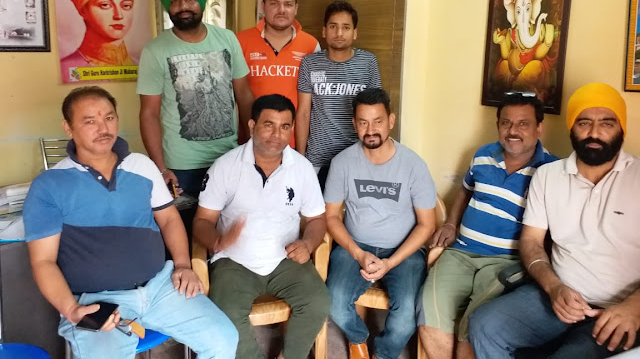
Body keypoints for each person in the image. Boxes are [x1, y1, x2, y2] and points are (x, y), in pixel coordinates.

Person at [22, 86, 237, 359]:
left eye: (109, 118)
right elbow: (43, 262)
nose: (103, 128)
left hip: (160, 288)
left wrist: (183, 265)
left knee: (223, 340)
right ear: (68, 127)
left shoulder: (141, 165)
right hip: (96, 302)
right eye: (90, 121)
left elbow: (169, 219)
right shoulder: (50, 184)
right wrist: (72, 310)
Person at [469, 83, 640, 358]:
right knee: (485, 325)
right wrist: (554, 287)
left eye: (607, 123)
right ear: (572, 127)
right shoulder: (547, 175)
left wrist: (634, 307)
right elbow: (531, 242)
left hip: (619, 309)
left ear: (622, 129)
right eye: (584, 123)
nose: (594, 133)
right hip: (555, 296)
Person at [418, 91, 558, 359]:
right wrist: (451, 224)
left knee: (475, 324)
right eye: (506, 123)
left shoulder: (551, 170)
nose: (513, 131)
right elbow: (465, 190)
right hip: (460, 253)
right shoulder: (482, 155)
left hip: (507, 260)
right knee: (429, 310)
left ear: (539, 127)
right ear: (498, 125)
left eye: (523, 123)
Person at [193, 94, 330, 359]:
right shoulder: (226, 166)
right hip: (235, 262)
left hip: (285, 259)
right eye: (269, 125)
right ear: (252, 125)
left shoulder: (301, 168)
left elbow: (316, 220)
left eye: (285, 127)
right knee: (226, 313)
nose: (277, 135)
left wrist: (308, 244)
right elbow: (202, 222)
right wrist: (218, 241)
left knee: (317, 302)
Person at [324, 87, 437, 359]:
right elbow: (330, 216)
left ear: (391, 121)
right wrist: (358, 253)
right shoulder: (342, 163)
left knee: (407, 315)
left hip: (403, 251)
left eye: (377, 121)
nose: (370, 130)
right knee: (333, 302)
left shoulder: (413, 165)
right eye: (363, 122)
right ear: (354, 124)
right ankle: (357, 338)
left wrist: (390, 262)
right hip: (356, 246)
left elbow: (427, 224)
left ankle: (383, 354)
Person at [137, 0, 254, 198]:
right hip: (181, 166)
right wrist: (161, 169)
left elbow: (244, 94)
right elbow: (149, 114)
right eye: (175, 1)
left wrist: (253, 148)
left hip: (228, 157)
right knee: (186, 221)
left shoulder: (227, 39)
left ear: (201, 1)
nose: (183, 7)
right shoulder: (155, 50)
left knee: (232, 219)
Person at [296, 0, 381, 187]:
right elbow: (303, 112)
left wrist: (375, 153)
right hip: (317, 158)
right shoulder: (310, 63)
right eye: (333, 26)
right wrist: (300, 158)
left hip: (357, 156)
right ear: (324, 31)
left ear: (355, 32)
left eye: (346, 27)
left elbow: (377, 111)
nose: (339, 33)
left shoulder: (368, 62)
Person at [236, 0, 319, 146]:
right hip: (250, 142)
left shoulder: (311, 45)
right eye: (274, 3)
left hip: (294, 144)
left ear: (296, 8)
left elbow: (316, 101)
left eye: (288, 4)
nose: (282, 10)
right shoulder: (240, 41)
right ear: (263, 5)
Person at [61, 0, 136, 71]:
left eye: (126, 5)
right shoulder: (66, 68)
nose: (119, 15)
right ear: (83, 10)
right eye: (105, 5)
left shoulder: (143, 64)